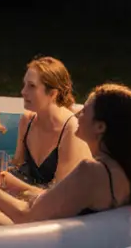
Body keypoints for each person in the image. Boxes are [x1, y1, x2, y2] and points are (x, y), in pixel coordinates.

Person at [0, 83, 131, 224]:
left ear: (100, 127)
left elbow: (26, 215)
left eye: (84, 112)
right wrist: (17, 186)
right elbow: (61, 198)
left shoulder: (91, 171)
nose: (76, 115)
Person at [9, 56, 90, 186]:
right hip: (37, 199)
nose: (23, 92)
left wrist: (12, 187)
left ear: (53, 94)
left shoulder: (71, 129)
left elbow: (60, 193)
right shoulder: (27, 121)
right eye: (24, 85)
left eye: (32, 86)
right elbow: (17, 169)